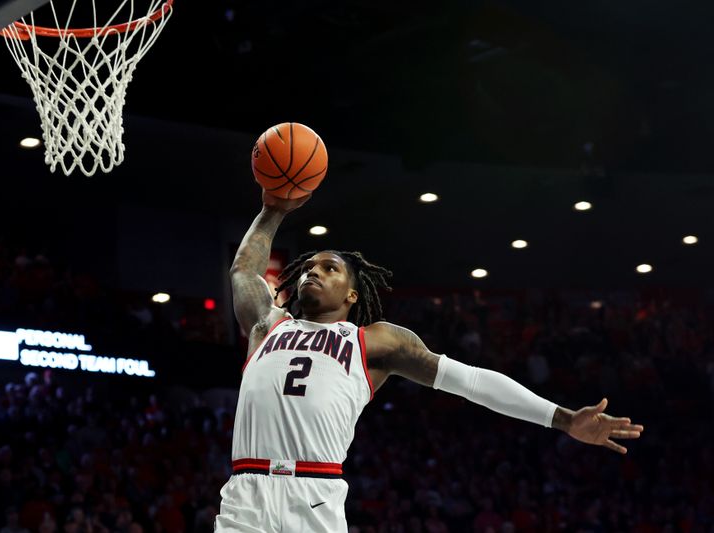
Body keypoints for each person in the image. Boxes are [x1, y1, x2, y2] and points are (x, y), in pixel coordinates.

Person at [214, 192, 644, 532]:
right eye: (309, 266)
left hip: (314, 495)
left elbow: (473, 382)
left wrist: (565, 419)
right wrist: (272, 209)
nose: (313, 271)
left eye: (330, 268)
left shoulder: (374, 341)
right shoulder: (267, 326)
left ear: (352, 295)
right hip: (246, 494)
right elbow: (243, 272)